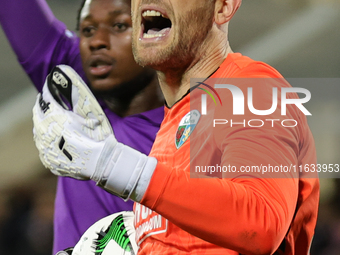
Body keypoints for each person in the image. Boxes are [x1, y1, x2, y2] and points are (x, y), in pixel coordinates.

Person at [32, 0, 320, 254]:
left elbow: (261, 223)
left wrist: (114, 165)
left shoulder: (250, 87)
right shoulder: (170, 129)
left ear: (222, 7)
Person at [0, 0, 164, 253]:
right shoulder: (74, 81)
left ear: (161, 33)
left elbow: (241, 220)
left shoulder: (209, 115)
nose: (96, 40)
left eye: (119, 25)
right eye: (87, 30)